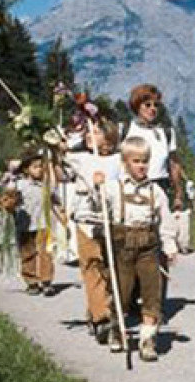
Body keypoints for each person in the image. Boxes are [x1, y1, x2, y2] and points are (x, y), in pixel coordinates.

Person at [96, 136, 180, 361]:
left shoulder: (156, 192)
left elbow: (166, 221)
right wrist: (98, 188)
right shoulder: (113, 188)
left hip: (148, 249)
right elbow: (97, 209)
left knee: (152, 293)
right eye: (136, 161)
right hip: (122, 248)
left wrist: (169, 246)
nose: (141, 166)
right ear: (125, 163)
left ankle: (147, 339)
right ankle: (117, 329)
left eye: (145, 161)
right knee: (122, 293)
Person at [65, 121, 123, 343]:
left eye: (96, 132)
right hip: (85, 219)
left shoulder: (117, 161)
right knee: (91, 266)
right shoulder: (80, 158)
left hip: (110, 219)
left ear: (108, 139)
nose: (90, 135)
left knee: (110, 270)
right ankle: (102, 319)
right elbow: (62, 169)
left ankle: (98, 308)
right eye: (88, 131)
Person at [11, 150, 64, 297]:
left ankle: (46, 281)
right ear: (26, 169)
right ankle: (31, 281)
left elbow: (55, 201)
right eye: (35, 167)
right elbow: (10, 200)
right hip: (25, 224)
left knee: (45, 253)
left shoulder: (46, 185)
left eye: (41, 167)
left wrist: (61, 213)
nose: (39, 170)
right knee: (28, 254)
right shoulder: (19, 185)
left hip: (43, 223)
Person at [122, 84, 184, 210]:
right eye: (147, 105)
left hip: (160, 186)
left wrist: (178, 194)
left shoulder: (166, 132)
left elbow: (174, 163)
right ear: (137, 106)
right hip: (132, 186)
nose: (152, 109)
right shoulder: (126, 129)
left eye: (156, 105)